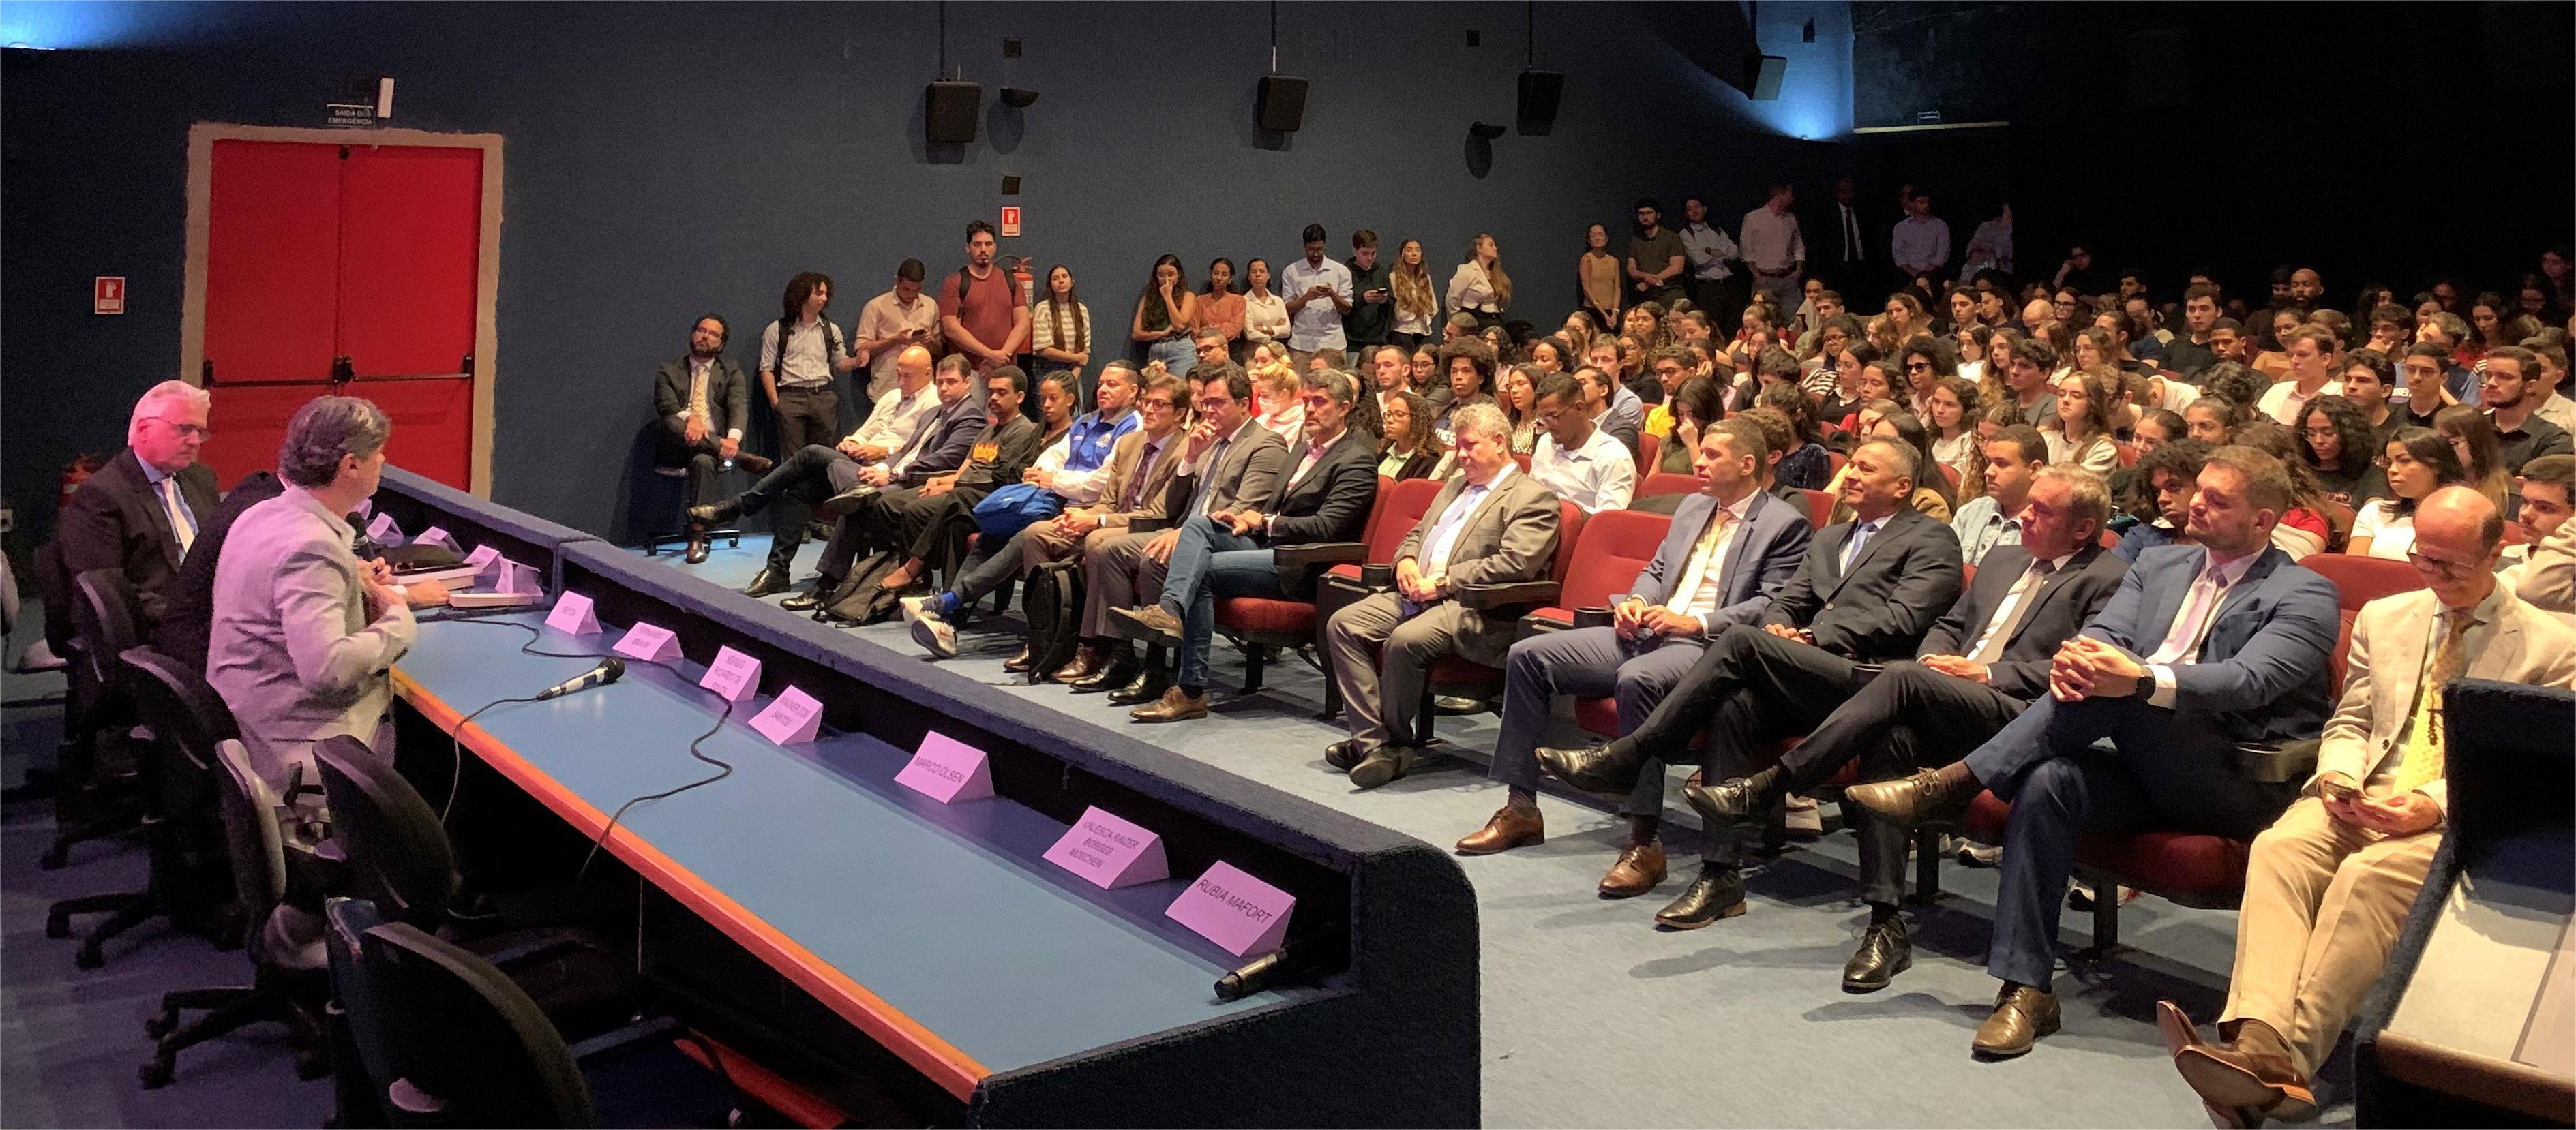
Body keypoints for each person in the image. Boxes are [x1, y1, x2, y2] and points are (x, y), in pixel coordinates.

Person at [1847, 445, 2340, 1060]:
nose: (2196, 506)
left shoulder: (2305, 592)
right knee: (2050, 779)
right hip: (2136, 761)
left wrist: (2136, 680)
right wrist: (2092, 660)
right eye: (2199, 492)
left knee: (2131, 691)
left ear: (2264, 521)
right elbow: (2100, 637)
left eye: (2218, 501)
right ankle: (2026, 990)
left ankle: (1953, 784)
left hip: (2231, 778)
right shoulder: (2159, 566)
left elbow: (2249, 680)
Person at [2158, 486, 2573, 1125]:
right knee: (2281, 848)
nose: (2432, 576)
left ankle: (2277, 1062)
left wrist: (2431, 806)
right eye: (2423, 558)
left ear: (2497, 552)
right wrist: (2339, 779)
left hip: (2455, 810)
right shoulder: (2387, 618)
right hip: (2362, 791)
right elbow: (2351, 719)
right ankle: (2262, 1049)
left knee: (2365, 878)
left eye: (2451, 565)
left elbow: (2521, 772)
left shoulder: (2554, 647)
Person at [1690, 466, 2123, 986]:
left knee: (1898, 680)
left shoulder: (2108, 578)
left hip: (2019, 717)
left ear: (2082, 528)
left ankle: (1773, 785)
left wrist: (1984, 672)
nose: (2024, 517)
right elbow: (1948, 626)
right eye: (2027, 505)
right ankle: (1885, 922)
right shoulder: (2005, 559)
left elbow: (2082, 668)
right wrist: (1940, 660)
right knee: (1890, 735)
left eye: (2042, 511)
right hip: (1947, 697)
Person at [1531, 438, 1964, 923]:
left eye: (1866, 468)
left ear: (1902, 486)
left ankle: (1633, 753)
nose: (1852, 475)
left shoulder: (1930, 538)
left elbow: (1906, 619)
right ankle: (1720, 877)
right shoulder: (1831, 538)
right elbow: (1787, 600)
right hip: (1808, 674)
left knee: (1739, 641)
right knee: (1733, 704)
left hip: (1872, 682)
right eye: (1854, 466)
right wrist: (1782, 627)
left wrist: (1810, 636)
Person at [1456, 418, 1814, 881]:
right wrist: (1637, 602)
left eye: (1712, 456)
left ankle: (1645, 842)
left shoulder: (1785, 525)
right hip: (1651, 630)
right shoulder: (1692, 506)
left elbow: (1772, 605)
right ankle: (1521, 807)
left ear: (1747, 465)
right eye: (1699, 453)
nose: (1698, 463)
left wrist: (1696, 620)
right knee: (1531, 655)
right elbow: (1657, 567)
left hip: (1709, 645)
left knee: (1637, 679)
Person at [1114, 369, 1379, 722]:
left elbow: (1327, 527)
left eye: (1320, 402)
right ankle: (1170, 613)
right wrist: (1247, 518)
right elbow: (1272, 506)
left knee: (1203, 573)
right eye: (1306, 402)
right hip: (1266, 546)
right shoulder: (1301, 449)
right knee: (1198, 525)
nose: (1311, 410)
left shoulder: (1356, 460)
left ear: (1344, 408)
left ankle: (1189, 687)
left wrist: (1266, 522)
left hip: (1300, 563)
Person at [1324, 402, 1562, 786]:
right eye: (1459, 447)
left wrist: (1444, 581)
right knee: (1344, 623)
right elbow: (1419, 533)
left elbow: (1516, 564)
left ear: (1500, 443)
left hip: (1470, 606)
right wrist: (1404, 561)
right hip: (1416, 591)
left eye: (1470, 446)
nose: (1461, 455)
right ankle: (1375, 744)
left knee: (1406, 639)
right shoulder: (1456, 485)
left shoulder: (1533, 498)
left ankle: (1390, 743)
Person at [207, 397, 424, 792]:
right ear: (351, 466)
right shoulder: (312, 546)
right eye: (378, 453)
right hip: (299, 748)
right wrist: (399, 623)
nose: (384, 461)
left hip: (247, 722)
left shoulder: (259, 514)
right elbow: (326, 669)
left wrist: (351, 583)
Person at [1068, 363, 1289, 705]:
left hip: (1225, 539)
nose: (1210, 411)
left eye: (1219, 403)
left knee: (1154, 556)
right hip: (1187, 528)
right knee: (1110, 550)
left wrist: (1184, 532)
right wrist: (1190, 460)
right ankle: (1121, 654)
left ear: (1245, 404)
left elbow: (1242, 512)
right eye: (1207, 403)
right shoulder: (1210, 442)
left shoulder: (1266, 444)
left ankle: (1156, 667)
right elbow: (1176, 504)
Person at [904, 366, 1141, 659]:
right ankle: (948, 619)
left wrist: (1056, 481)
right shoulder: (1087, 421)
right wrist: (1047, 476)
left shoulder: (1133, 428)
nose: (1103, 389)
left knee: (1025, 536)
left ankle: (952, 601)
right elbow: (1051, 458)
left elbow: (1103, 482)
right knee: (993, 529)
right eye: (1101, 383)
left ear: (1133, 391)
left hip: (1089, 511)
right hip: (1055, 500)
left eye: (1113, 384)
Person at [693, 346, 944, 598]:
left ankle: (739, 506)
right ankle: (777, 570)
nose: (900, 381)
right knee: (801, 490)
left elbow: (917, 449)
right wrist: (853, 443)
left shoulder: (934, 403)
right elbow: (865, 432)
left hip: (884, 473)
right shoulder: (891, 397)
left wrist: (880, 451)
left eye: (907, 376)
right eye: (898, 374)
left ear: (927, 373)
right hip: (855, 464)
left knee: (812, 452)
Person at [799, 362, 1031, 612]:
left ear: (1019, 397)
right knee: (869, 502)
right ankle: (877, 576)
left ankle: (913, 572)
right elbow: (964, 466)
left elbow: (998, 478)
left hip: (985, 498)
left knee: (908, 508)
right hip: (950, 486)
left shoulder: (1019, 430)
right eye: (992, 391)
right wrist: (943, 481)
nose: (994, 397)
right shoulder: (985, 430)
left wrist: (945, 485)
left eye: (1002, 392)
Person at [1030, 371, 1194, 684]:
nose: (1149, 410)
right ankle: (1046, 639)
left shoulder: (1185, 451)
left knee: (1100, 543)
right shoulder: (1130, 442)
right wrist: (1082, 518)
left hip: (1149, 527)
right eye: (1147, 403)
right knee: (1037, 534)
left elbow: (1159, 513)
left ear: (1181, 414)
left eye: (1160, 405)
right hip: (1115, 521)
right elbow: (1108, 500)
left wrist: (1098, 521)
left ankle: (1106, 648)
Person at [63, 379, 220, 630]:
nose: (195, 441)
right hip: (155, 626)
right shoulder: (102, 495)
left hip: (210, 613)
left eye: (200, 431)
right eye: (184, 429)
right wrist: (190, 617)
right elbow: (109, 594)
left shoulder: (201, 478)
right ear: (144, 430)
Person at [654, 315, 770, 562]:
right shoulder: (670, 370)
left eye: (713, 334)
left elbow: (739, 406)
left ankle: (695, 538)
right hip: (676, 445)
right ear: (693, 334)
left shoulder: (730, 371)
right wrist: (691, 420)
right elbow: (666, 406)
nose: (705, 337)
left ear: (722, 343)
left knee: (704, 463)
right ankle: (740, 459)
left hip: (711, 451)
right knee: (671, 421)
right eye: (701, 330)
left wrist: (733, 440)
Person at [760, 271, 865, 469]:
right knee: (793, 460)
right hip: (791, 397)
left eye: (826, 294)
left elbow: (840, 363)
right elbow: (766, 369)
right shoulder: (777, 330)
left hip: (823, 396)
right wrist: (777, 404)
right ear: (802, 294)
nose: (824, 298)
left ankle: (822, 497)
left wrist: (858, 361)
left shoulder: (830, 329)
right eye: (818, 293)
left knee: (826, 455)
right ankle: (796, 498)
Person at [2350, 427, 2472, 560]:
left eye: (2405, 461)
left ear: (2437, 466)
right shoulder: (2374, 512)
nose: (2392, 470)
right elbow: (2353, 569)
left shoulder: (2468, 519)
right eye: (2389, 463)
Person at [1527, 372, 1637, 513]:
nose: (1547, 425)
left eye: (1553, 417)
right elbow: (1530, 495)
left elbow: (1607, 522)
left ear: (1579, 408)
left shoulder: (1613, 456)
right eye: (1543, 418)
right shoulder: (1545, 442)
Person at [938, 220, 1031, 374]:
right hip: (969, 372)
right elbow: (951, 328)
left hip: (1006, 368)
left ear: (995, 247)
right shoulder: (955, 282)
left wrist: (1001, 357)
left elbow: (1023, 324)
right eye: (977, 244)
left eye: (988, 244)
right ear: (968, 248)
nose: (983, 249)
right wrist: (989, 354)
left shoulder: (1011, 281)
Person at [1952, 425, 2047, 565]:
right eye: (1989, 462)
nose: (1988, 472)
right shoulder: (1971, 512)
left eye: (2001, 464)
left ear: (2034, 470)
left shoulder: (2047, 526)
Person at [2476, 345, 2575, 474]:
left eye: (2505, 377)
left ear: (2530, 386)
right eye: (2488, 376)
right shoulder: (2470, 427)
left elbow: (2537, 490)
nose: (2491, 383)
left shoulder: (2554, 439)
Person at [854, 259, 941, 399]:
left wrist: (931, 341)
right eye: (906, 289)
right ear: (896, 281)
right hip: (888, 389)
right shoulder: (876, 307)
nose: (911, 295)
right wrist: (895, 340)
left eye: (916, 290)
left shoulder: (930, 305)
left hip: (923, 392)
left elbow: (939, 351)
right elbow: (862, 350)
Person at [2115, 437, 2212, 562]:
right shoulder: (2141, 539)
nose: (2162, 499)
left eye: (2174, 486)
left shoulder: (2230, 549)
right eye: (2157, 492)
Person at [1280, 223, 1353, 371]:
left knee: (1336, 389)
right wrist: (1306, 297)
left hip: (1333, 343)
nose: (1315, 254)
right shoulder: (1291, 271)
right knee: (1301, 390)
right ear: (1304, 247)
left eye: (1320, 249)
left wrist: (1332, 294)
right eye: (1311, 250)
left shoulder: (1341, 271)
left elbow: (1347, 309)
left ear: (1325, 246)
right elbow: (1287, 309)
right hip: (1302, 345)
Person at [2295, 395, 2387, 506]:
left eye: (2328, 433)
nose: (2318, 440)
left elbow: (2374, 515)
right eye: (2311, 433)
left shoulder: (2370, 474)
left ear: (2349, 434)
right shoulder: (2297, 469)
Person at [1677, 196, 1743, 326]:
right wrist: (1719, 253)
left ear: (1704, 209)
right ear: (1686, 214)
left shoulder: (1717, 230)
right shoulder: (1686, 233)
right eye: (1690, 209)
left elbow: (1735, 252)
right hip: (1708, 287)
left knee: (1733, 324)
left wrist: (1709, 251)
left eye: (1697, 207)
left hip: (1728, 284)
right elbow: (1699, 259)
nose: (1694, 211)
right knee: (1712, 325)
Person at [1131, 254, 1199, 378]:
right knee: (1155, 391)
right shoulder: (1148, 299)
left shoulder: (1188, 296)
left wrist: (1168, 297)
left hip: (1180, 348)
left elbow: (1179, 325)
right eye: (1161, 275)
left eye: (1171, 274)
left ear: (1179, 275)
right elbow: (1136, 333)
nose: (1166, 279)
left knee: (1181, 391)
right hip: (1156, 349)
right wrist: (1161, 333)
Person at [1740, 183, 1806, 314]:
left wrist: (1799, 269)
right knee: (1764, 316)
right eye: (1789, 195)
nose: (1792, 198)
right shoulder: (1753, 218)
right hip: (1765, 278)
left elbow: (1798, 245)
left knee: (1794, 317)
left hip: (1788, 278)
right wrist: (1757, 275)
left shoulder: (1790, 219)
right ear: (1779, 196)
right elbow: (1746, 249)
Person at [2043, 369, 2121, 474]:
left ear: (2093, 403)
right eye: (2061, 394)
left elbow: (2075, 484)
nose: (2066, 400)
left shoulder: (2104, 449)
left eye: (2076, 396)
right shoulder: (2046, 438)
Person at [1029, 264, 1094, 387]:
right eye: (1055, 279)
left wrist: (1073, 376)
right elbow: (1043, 349)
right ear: (1050, 285)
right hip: (1047, 371)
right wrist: (1076, 358)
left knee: (1074, 406)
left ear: (1072, 281)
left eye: (1064, 277)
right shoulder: (1043, 309)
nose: (1061, 281)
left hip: (1073, 370)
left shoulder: (1082, 310)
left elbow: (1084, 351)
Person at [1625, 198, 1687, 309]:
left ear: (1658, 215)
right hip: (1646, 296)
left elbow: (1677, 267)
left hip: (1670, 294)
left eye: (1649, 213)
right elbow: (1631, 269)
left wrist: (1651, 281)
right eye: (1641, 214)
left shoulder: (1671, 237)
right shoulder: (1635, 241)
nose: (1645, 217)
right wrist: (1646, 277)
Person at [1344, 230, 1392, 365]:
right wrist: (1362, 299)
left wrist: (1385, 300)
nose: (1370, 258)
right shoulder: (1346, 272)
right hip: (1353, 342)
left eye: (1373, 253)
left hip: (1377, 340)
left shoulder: (1381, 272)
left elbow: (1392, 305)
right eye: (1365, 253)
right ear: (1354, 251)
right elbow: (1342, 307)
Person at [1446, 234, 1510, 329]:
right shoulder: (1467, 271)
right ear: (1479, 249)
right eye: (1491, 245)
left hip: (1494, 321)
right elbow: (1452, 298)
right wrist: (1458, 322)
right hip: (1474, 322)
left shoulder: (1496, 274)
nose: (1495, 248)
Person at [1378, 390, 1445, 480]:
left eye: (1399, 414)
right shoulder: (1385, 451)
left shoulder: (1429, 461)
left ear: (1417, 420)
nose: (1389, 420)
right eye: (1388, 414)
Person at [1388, 239, 1439, 348]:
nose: (1414, 254)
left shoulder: (1425, 278)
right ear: (1402, 254)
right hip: (1402, 332)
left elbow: (1433, 308)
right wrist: (1418, 310)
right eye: (1409, 250)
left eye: (1417, 250)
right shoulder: (1394, 278)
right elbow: (1400, 312)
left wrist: (1421, 311)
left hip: (1423, 331)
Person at [1889, 192, 1951, 281]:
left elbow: (1942, 254)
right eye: (1921, 202)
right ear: (1912, 203)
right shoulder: (1901, 227)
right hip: (1907, 275)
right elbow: (1898, 254)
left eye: (1928, 203)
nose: (1926, 205)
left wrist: (1926, 273)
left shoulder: (1940, 226)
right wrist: (1913, 272)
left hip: (1933, 275)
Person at [2002, 338, 2061, 427]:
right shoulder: (2006, 406)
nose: (2014, 371)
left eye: (2024, 366)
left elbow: (2039, 440)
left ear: (2045, 373)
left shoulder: (2055, 406)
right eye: (2013, 364)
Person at [1240, 258, 1290, 353]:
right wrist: (1274, 333)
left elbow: (1287, 331)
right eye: (1253, 272)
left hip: (1277, 352)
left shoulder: (1278, 301)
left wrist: (1263, 329)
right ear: (1249, 277)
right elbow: (1250, 334)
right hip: (1254, 352)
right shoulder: (1244, 301)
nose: (1258, 275)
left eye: (1262, 271)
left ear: (1268, 276)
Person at [1578, 223, 1621, 330]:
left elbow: (1617, 288)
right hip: (1594, 310)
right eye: (1593, 236)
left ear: (1606, 238)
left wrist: (1615, 312)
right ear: (1589, 240)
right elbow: (1587, 289)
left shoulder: (1614, 260)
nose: (1597, 238)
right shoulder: (1587, 259)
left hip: (1612, 311)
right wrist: (1604, 314)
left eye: (1600, 235)